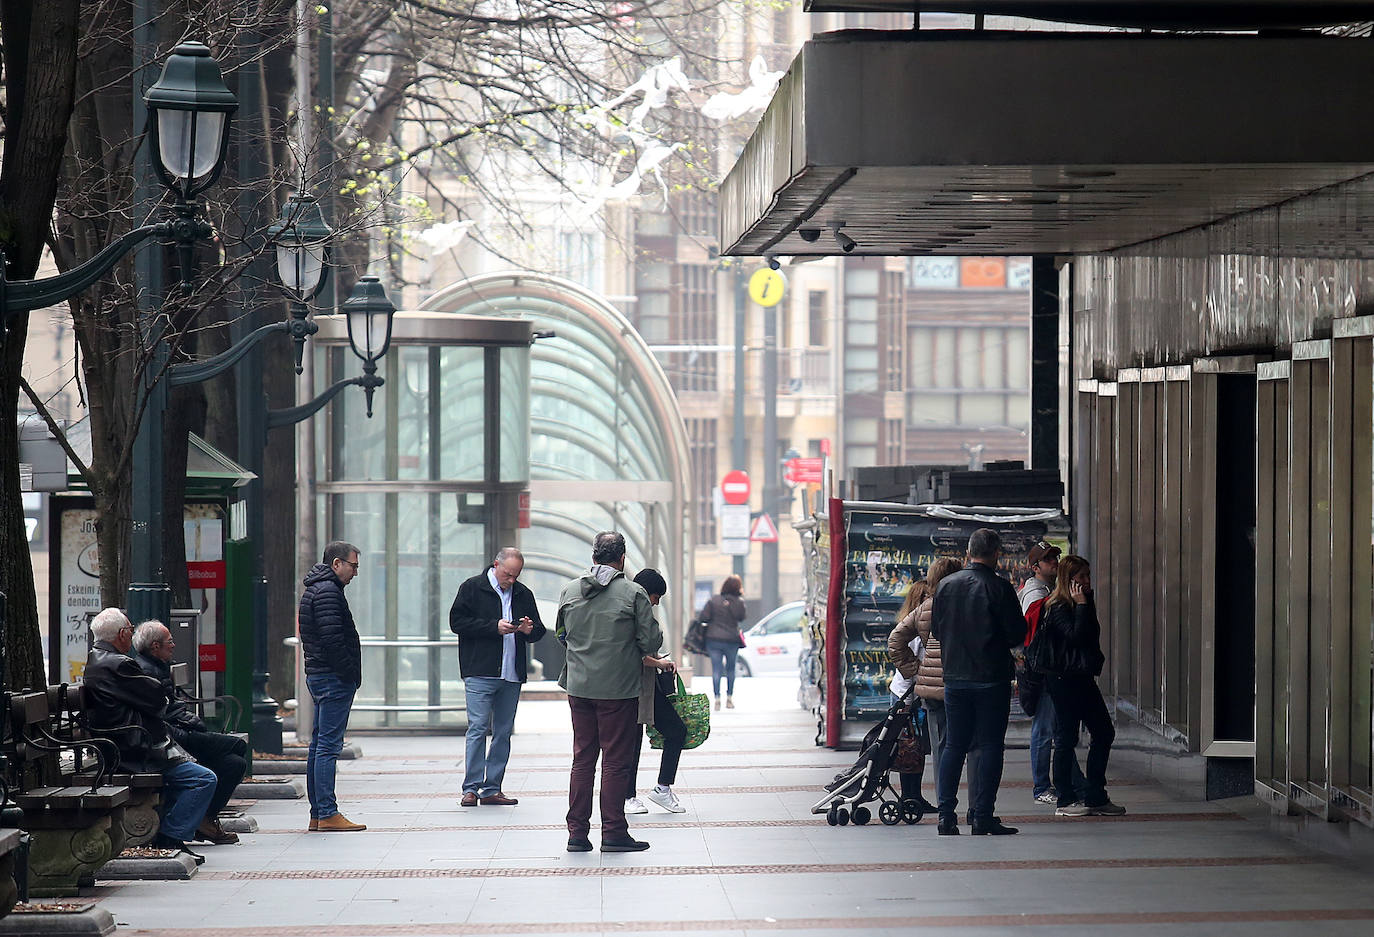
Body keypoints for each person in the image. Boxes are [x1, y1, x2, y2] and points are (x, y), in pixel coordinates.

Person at [556, 531, 663, 853]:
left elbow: (561, 634)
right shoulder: (634, 593)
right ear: (622, 559)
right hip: (618, 690)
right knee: (616, 762)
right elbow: (651, 642)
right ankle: (614, 832)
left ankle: (577, 834)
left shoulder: (569, 591)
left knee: (582, 760)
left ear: (593, 557)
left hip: (579, 687)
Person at [83, 608, 217, 862]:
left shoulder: (97, 660)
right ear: (122, 634)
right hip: (136, 750)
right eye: (130, 630)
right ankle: (171, 835)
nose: (131, 636)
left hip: (122, 745)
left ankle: (170, 832)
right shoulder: (119, 664)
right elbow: (157, 698)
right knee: (203, 779)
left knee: (197, 765)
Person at [930, 529, 1026, 836]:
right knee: (989, 746)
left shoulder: (946, 585)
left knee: (954, 746)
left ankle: (946, 816)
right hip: (991, 679)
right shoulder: (999, 587)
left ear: (969, 552)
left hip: (955, 679)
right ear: (996, 553)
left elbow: (936, 629)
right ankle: (982, 815)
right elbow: (1016, 635)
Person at [132, 620, 248, 845]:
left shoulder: (157, 667)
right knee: (237, 747)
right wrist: (190, 727)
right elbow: (160, 718)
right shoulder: (147, 672)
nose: (174, 645)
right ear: (155, 646)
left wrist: (191, 721)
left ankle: (205, 818)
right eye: (170, 641)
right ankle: (186, 827)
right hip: (172, 741)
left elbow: (171, 707)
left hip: (177, 736)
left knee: (235, 763)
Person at [449, 547, 546, 807]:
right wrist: (494, 627)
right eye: (508, 574)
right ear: (496, 565)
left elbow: (538, 631)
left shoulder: (523, 593)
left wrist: (527, 629)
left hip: (511, 673)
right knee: (478, 728)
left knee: (503, 732)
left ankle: (492, 788)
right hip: (480, 671)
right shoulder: (472, 587)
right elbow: (457, 623)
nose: (511, 580)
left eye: (516, 575)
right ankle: (470, 788)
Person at [1038, 555, 1127, 818]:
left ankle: (1095, 795)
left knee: (1103, 732)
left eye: (1088, 575)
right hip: (1064, 679)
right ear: (1069, 580)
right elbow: (1075, 637)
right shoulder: (1059, 606)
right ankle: (1065, 798)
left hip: (1082, 677)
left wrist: (1084, 605)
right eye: (1082, 577)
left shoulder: (1083, 602)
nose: (1087, 581)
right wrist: (1080, 606)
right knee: (1066, 737)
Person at [900, 558, 980, 819]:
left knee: (943, 748)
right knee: (977, 745)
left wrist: (918, 671)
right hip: (967, 683)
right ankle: (977, 808)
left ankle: (946, 809)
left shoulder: (925, 608)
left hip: (934, 692)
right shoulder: (968, 604)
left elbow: (895, 640)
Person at [298, 540, 366, 832]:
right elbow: (332, 639)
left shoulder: (317, 588)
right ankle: (327, 811)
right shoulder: (328, 592)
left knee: (319, 744)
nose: (355, 573)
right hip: (332, 677)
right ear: (336, 563)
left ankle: (319, 812)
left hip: (320, 675)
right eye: (353, 566)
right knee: (328, 746)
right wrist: (349, 673)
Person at [1018, 541, 1087, 806]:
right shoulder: (1035, 593)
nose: (1055, 563)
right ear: (1036, 567)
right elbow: (1036, 635)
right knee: (1045, 729)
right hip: (1043, 670)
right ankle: (1042, 786)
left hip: (1049, 668)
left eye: (1056, 557)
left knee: (1059, 729)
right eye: (1048, 560)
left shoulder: (1047, 589)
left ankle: (1073, 782)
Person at [624, 568, 687, 816]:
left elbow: (644, 649)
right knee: (632, 742)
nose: (656, 602)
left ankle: (662, 788)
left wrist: (657, 658)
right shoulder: (630, 612)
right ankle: (627, 796)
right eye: (656, 596)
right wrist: (659, 662)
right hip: (631, 686)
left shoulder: (640, 611)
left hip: (648, 687)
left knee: (676, 730)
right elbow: (634, 654)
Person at [884, 579, 935, 812]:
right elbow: (906, 659)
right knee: (909, 748)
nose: (929, 600)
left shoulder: (923, 627)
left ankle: (914, 795)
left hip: (912, 696)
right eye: (925, 596)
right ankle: (909, 796)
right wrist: (919, 674)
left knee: (917, 749)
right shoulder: (914, 632)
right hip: (906, 697)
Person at [699, 575, 746, 711]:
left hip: (714, 640)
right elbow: (742, 617)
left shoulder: (714, 600)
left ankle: (717, 699)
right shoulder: (739, 602)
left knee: (716, 669)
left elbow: (704, 617)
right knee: (731, 669)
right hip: (732, 640)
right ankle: (729, 698)